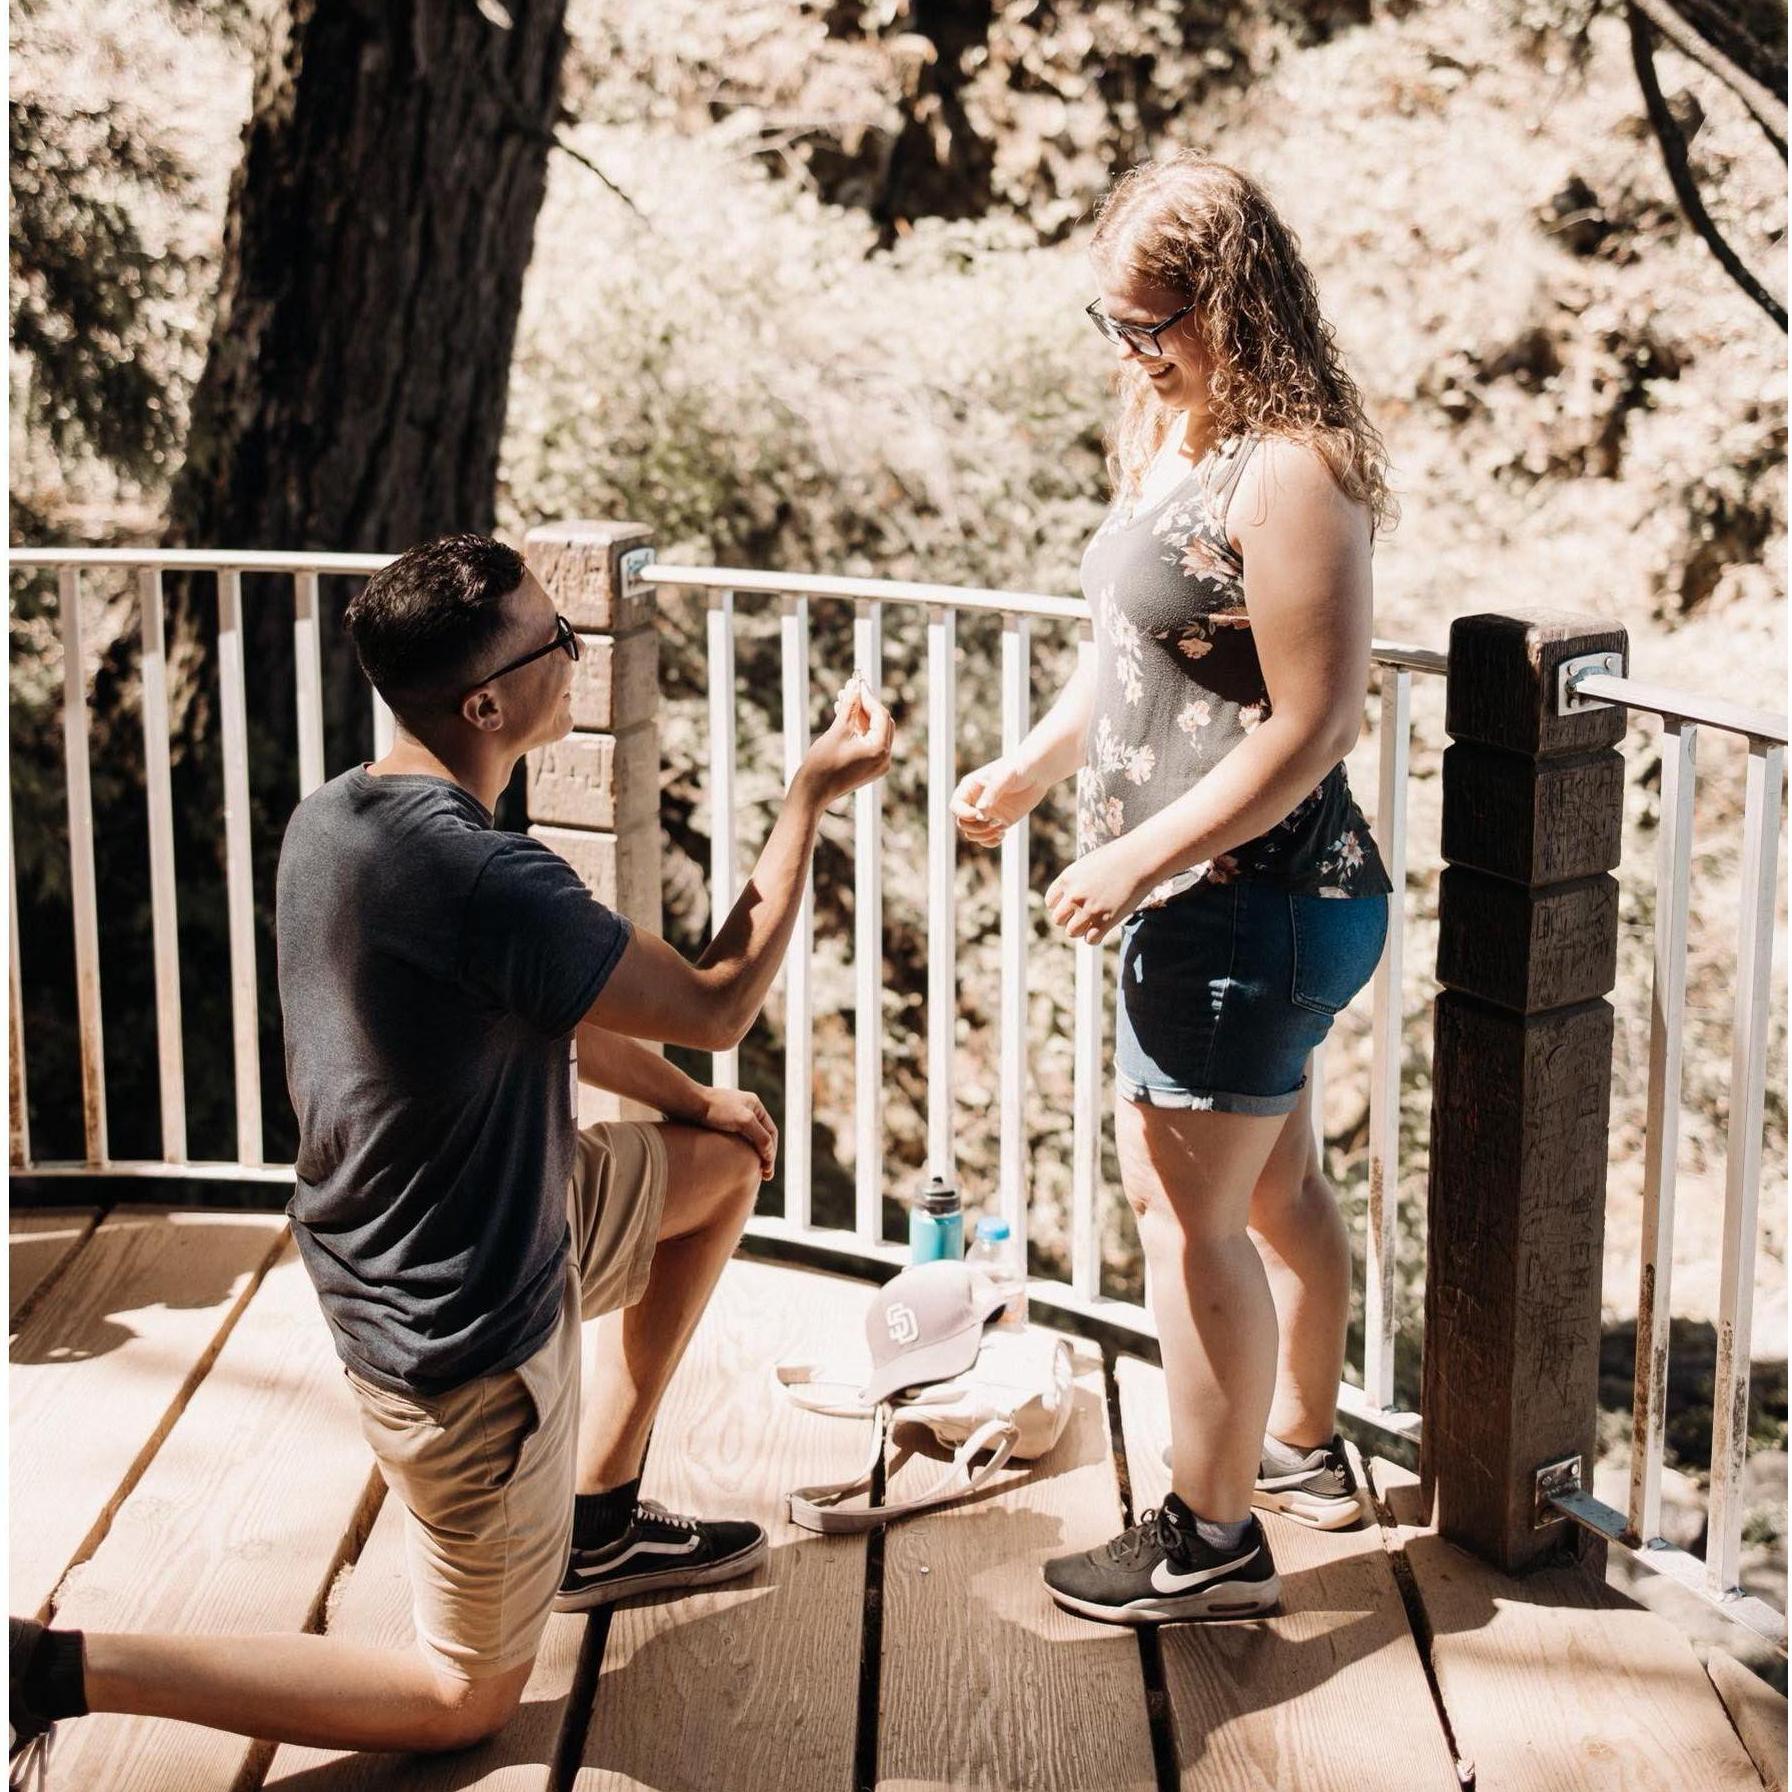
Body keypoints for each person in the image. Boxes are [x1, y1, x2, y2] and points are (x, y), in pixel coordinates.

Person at [10, 533, 894, 1765]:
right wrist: (808, 796)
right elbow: (718, 1003)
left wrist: (693, 1109)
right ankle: (49, 1665)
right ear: (488, 701)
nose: (576, 654)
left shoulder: (338, 819)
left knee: (718, 1169)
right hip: (464, 1342)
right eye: (558, 644)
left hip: (477, 1220)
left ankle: (599, 1518)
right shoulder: (489, 879)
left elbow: (555, 1006)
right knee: (459, 1699)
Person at [952, 154, 1396, 1625]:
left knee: (1182, 1215)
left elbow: (1314, 720)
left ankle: (1209, 1543)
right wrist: (1028, 772)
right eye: (1118, 324)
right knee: (1272, 1193)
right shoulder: (1174, 428)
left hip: (1249, 901)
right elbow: (1135, 659)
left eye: (1158, 324)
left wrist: (1141, 854)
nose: (1135, 353)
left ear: (1233, 303)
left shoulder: (1292, 470)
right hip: (1224, 906)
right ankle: (1308, 1456)